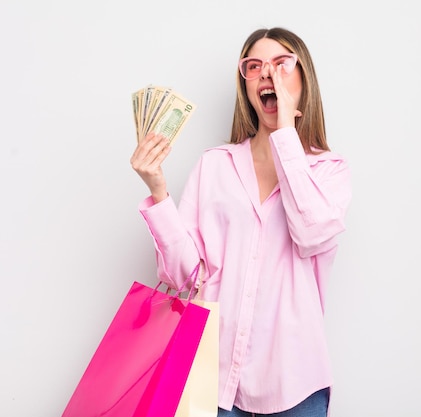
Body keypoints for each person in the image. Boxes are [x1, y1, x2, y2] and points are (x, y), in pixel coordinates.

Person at [130, 27, 352, 417]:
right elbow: (186, 276)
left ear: (304, 78)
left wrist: (285, 135)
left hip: (295, 383)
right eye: (254, 66)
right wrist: (159, 191)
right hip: (209, 378)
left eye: (282, 63)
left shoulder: (328, 171)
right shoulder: (214, 164)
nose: (267, 73)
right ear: (245, 83)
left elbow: (310, 231)